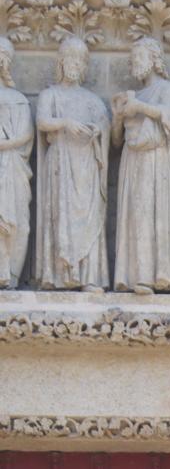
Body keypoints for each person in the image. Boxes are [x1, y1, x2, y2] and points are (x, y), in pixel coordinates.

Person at [36, 35, 109, 291]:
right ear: (61, 62)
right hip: (61, 164)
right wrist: (66, 123)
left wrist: (97, 131)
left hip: (87, 166)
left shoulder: (93, 100)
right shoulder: (50, 94)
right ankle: (59, 276)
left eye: (80, 61)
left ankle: (88, 276)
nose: (75, 65)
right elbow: (43, 122)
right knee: (60, 215)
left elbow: (104, 127)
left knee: (88, 218)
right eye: (71, 59)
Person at [112, 36, 170, 294]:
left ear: (154, 60)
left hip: (157, 161)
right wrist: (118, 117)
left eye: (138, 57)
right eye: (132, 59)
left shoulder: (167, 89)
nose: (133, 63)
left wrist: (139, 106)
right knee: (135, 214)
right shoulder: (134, 95)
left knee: (152, 213)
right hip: (133, 161)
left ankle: (156, 275)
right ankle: (134, 275)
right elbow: (116, 141)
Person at [0, 37, 32, 290]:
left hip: (11, 166)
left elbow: (25, 135)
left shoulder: (18, 99)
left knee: (14, 220)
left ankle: (8, 274)